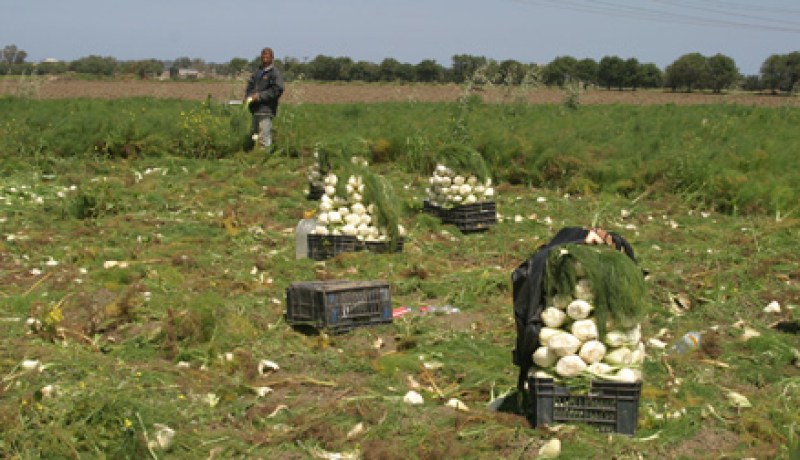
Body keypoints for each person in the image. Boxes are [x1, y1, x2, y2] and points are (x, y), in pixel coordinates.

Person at [244, 47, 284, 151]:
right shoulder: (258, 72)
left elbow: (277, 89)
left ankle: (264, 158)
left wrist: (259, 96)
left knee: (264, 136)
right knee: (254, 135)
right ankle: (255, 154)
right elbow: (250, 86)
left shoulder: (274, 73)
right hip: (255, 109)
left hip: (266, 109)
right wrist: (248, 96)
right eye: (263, 55)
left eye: (267, 56)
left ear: (272, 58)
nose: (265, 57)